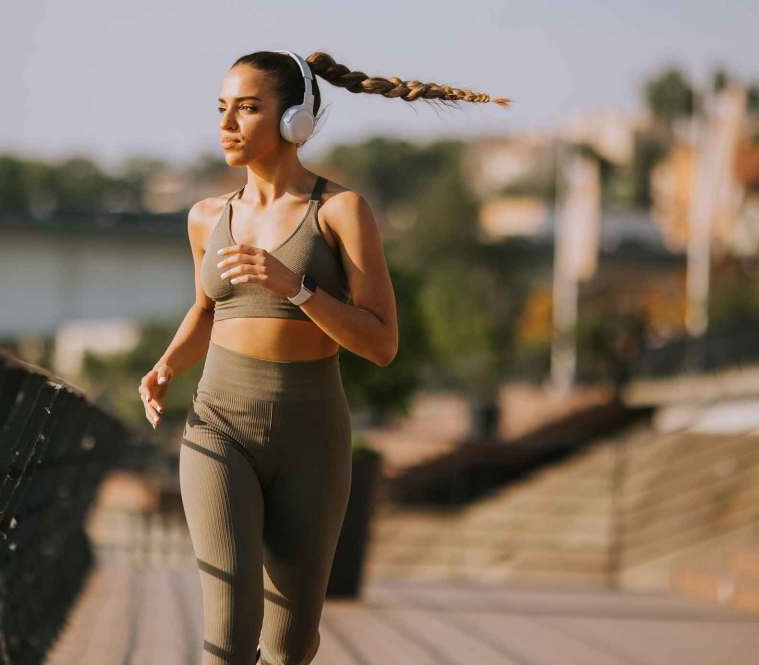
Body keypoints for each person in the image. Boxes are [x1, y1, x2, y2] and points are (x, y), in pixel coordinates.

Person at [136, 50, 509, 665]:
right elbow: (207, 309)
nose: (228, 123)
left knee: (290, 645)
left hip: (312, 437)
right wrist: (167, 366)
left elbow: (382, 343)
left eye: (248, 108)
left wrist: (297, 288)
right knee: (227, 635)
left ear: (294, 122)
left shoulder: (340, 212)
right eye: (222, 108)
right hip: (218, 425)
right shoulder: (207, 218)